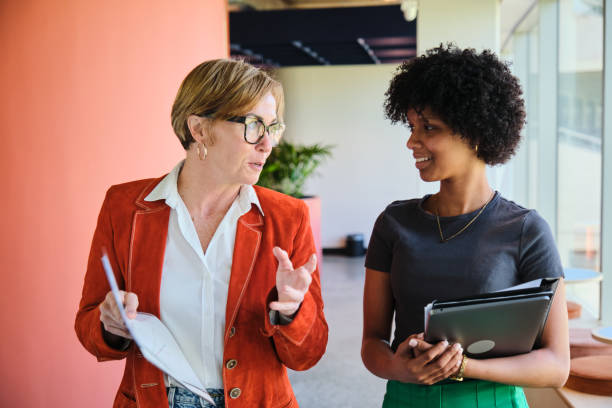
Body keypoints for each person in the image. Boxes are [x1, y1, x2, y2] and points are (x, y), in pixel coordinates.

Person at [75, 59, 328, 408]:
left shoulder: (288, 218)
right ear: (200, 129)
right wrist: (110, 325)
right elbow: (89, 326)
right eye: (254, 126)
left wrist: (292, 311)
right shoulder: (125, 207)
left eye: (273, 127)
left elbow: (309, 354)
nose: (268, 144)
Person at [361, 44, 570, 407]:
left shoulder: (525, 230)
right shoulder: (394, 224)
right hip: (407, 398)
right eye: (412, 126)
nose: (412, 141)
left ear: (474, 133)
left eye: (429, 127)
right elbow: (372, 343)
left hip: (491, 400)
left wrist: (464, 366)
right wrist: (400, 368)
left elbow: (555, 365)